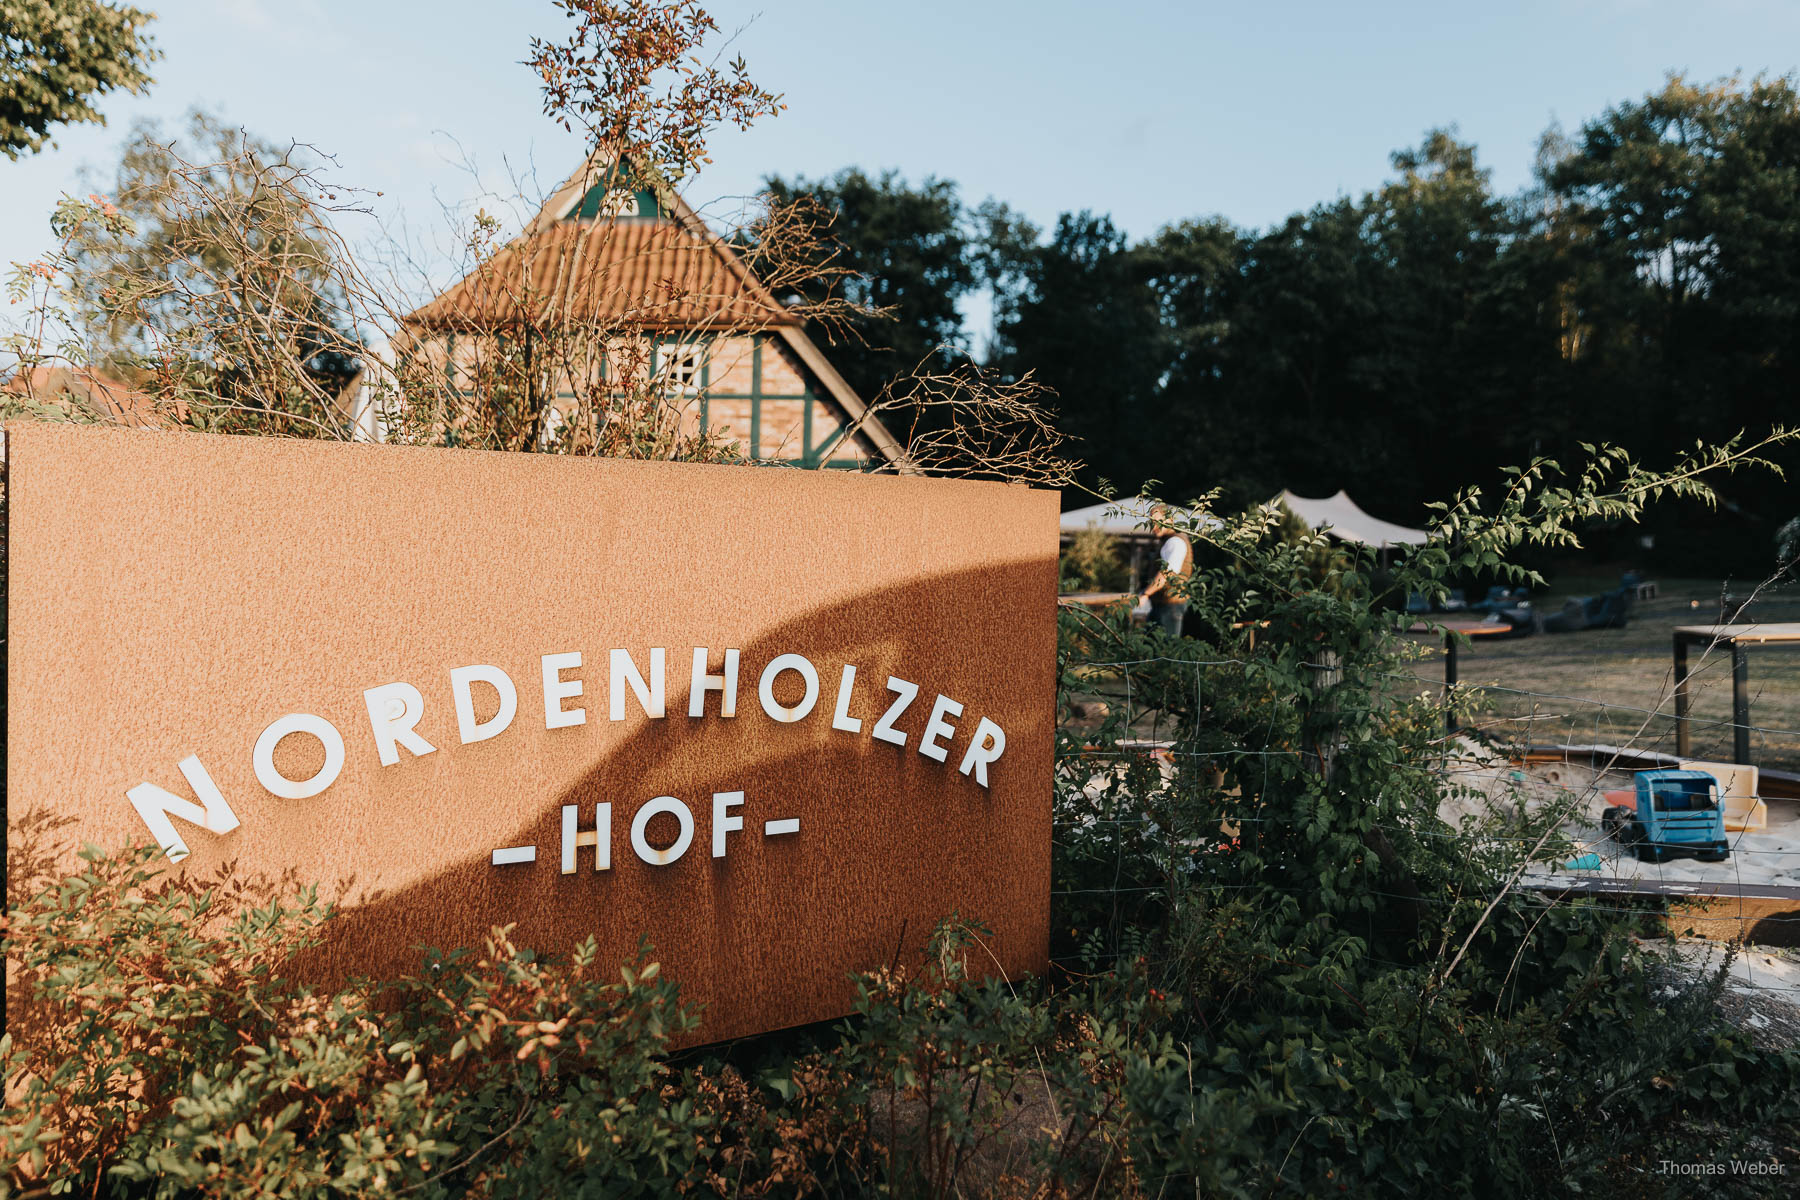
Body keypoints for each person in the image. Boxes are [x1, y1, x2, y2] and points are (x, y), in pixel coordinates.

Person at [1142, 505, 1193, 637]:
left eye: (1157, 522)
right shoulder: (1168, 541)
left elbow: (1166, 574)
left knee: (1165, 653)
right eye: (1151, 523)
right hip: (1164, 605)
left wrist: (1145, 594)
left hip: (1170, 607)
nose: (1153, 528)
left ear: (1170, 520)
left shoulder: (1175, 542)